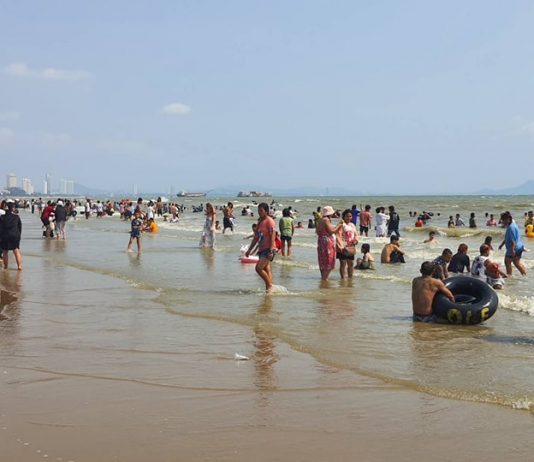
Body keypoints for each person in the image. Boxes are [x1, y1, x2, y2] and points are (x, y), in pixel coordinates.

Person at [245, 203, 276, 292]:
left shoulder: (269, 221)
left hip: (268, 249)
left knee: (258, 268)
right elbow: (256, 237)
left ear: (266, 211)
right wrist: (249, 250)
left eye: (261, 211)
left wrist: (271, 250)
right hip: (262, 249)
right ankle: (269, 290)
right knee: (266, 269)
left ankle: (269, 286)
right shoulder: (259, 222)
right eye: (258, 210)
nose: (259, 212)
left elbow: (273, 235)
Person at [316, 206, 343, 280]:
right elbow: (331, 231)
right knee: (329, 261)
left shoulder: (321, 219)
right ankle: (325, 278)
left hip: (321, 240)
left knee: (323, 260)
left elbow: (317, 231)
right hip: (327, 242)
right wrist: (339, 225)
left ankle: (323, 277)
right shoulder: (326, 220)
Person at [498, 211, 527, 276]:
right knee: (516, 263)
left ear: (508, 219)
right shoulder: (513, 225)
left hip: (514, 248)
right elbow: (508, 237)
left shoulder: (511, 227)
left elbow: (513, 240)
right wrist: (502, 244)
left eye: (503, 220)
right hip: (519, 247)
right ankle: (524, 275)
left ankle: (509, 276)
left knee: (507, 262)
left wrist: (513, 250)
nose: (502, 222)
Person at [336, 209, 358, 279]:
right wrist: (341, 245)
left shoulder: (352, 225)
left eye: (350, 216)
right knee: (343, 263)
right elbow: (337, 235)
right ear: (343, 217)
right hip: (342, 247)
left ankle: (350, 278)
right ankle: (342, 279)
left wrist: (356, 240)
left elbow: (356, 234)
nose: (349, 218)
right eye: (347, 216)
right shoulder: (341, 224)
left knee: (351, 263)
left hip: (351, 247)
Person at [1, 201, 22, 270]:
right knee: (16, 251)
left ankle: (6, 266)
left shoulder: (2, 217)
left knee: (5, 252)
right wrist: (19, 236)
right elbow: (20, 227)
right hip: (14, 236)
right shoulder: (16, 217)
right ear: (12, 208)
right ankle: (19, 266)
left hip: (5, 236)